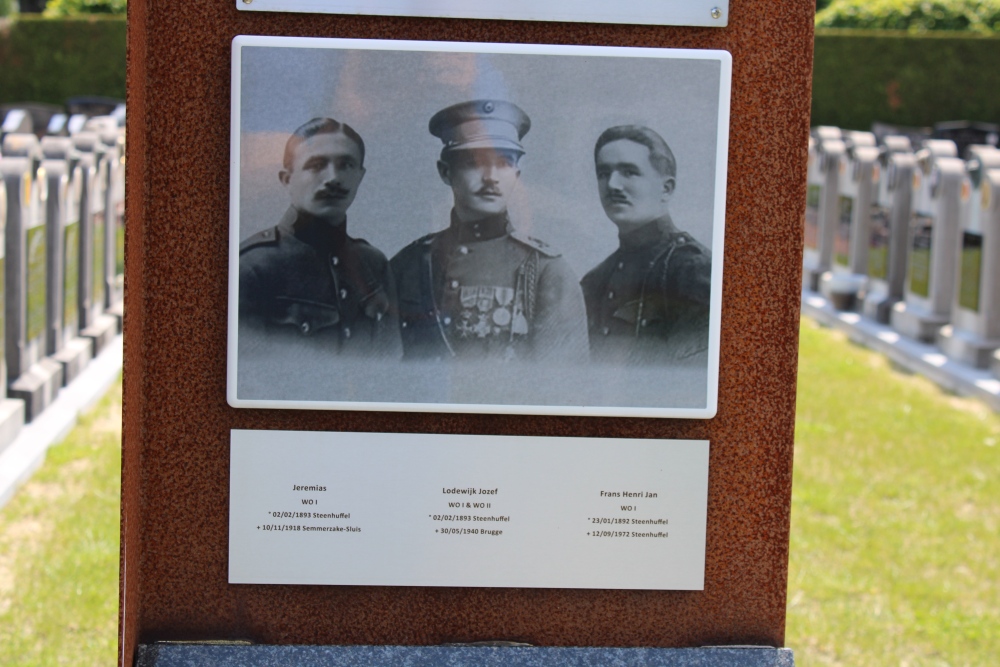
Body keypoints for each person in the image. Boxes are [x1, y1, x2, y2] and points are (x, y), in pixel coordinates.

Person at [391, 99, 588, 363]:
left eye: (504, 162)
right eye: (474, 162)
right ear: (445, 172)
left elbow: (561, 390)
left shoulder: (545, 271)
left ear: (516, 174)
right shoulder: (408, 265)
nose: (491, 176)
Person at [238, 117, 398, 360]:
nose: (333, 178)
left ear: (360, 177)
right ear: (286, 179)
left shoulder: (374, 264)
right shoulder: (252, 267)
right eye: (316, 165)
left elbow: (391, 367)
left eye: (346, 165)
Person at [580, 125, 712, 364]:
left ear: (666, 188)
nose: (612, 185)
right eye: (603, 173)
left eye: (629, 172)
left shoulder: (692, 270)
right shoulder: (593, 282)